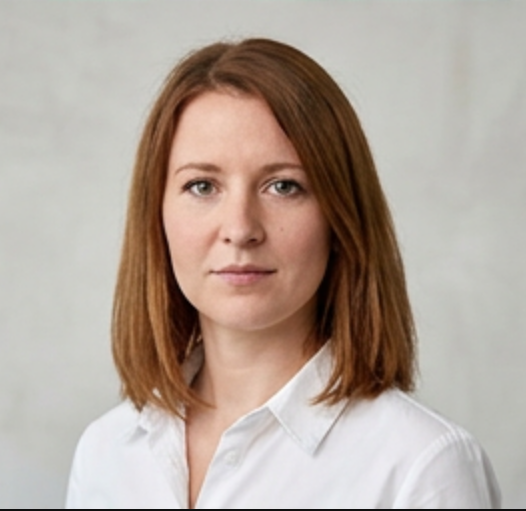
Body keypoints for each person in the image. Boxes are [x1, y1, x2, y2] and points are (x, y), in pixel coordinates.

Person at [65, 37, 501, 509]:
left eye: (283, 186)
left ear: (340, 216)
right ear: (156, 215)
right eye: (202, 186)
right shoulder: (105, 453)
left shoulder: (421, 466)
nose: (240, 229)